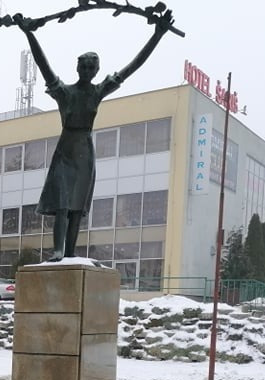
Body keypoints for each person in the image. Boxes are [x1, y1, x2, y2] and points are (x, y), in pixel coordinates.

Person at [15, 11, 172, 259]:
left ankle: (69, 252)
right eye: (84, 66)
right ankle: (58, 250)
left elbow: (131, 68)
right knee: (62, 204)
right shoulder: (64, 92)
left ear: (97, 70)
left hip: (85, 154)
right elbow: (44, 66)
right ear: (77, 67)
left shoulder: (97, 92)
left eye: (92, 67)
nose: (87, 70)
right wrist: (29, 34)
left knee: (77, 208)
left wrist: (157, 35)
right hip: (66, 151)